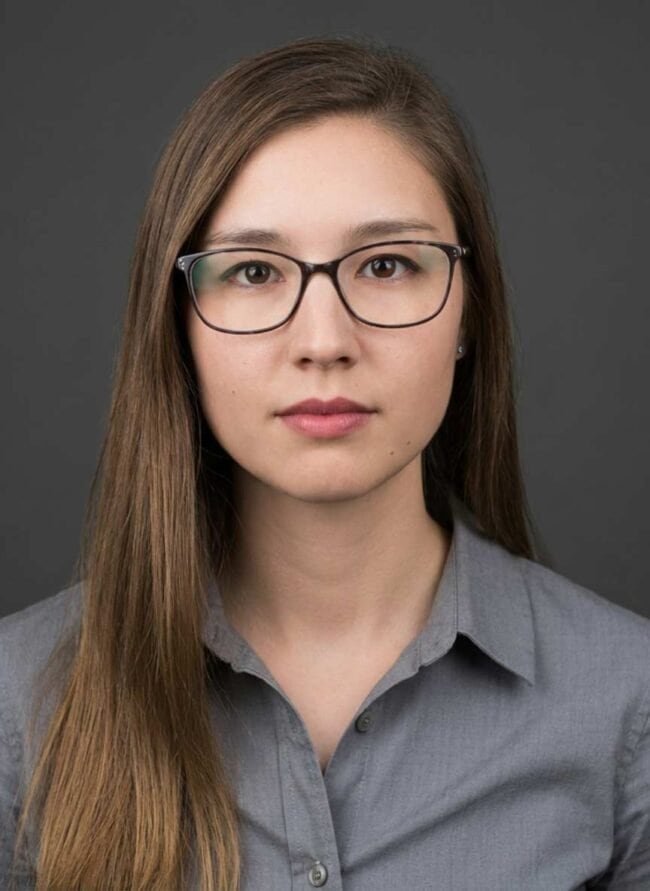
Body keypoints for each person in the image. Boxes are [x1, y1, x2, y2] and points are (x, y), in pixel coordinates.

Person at [1, 34, 648, 891]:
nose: (324, 342)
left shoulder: (627, 702)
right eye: (255, 271)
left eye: (386, 264)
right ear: (178, 326)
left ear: (468, 314)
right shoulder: (19, 701)